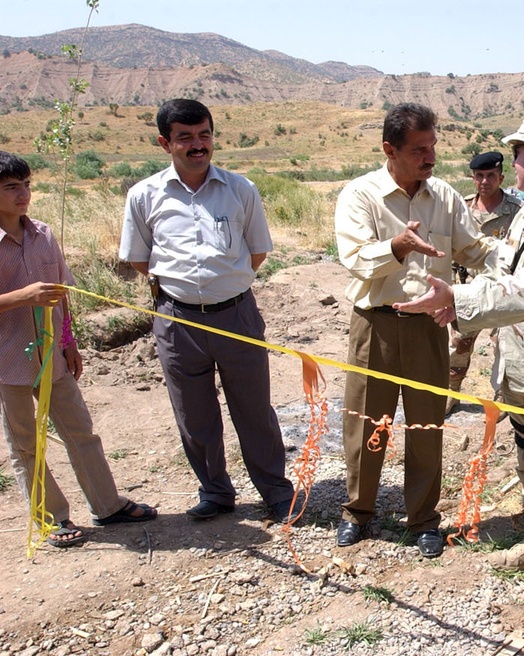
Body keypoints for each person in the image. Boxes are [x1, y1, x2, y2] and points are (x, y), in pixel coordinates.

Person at [396, 108, 524, 607]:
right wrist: (460, 249)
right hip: (522, 363)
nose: (511, 161)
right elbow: (504, 262)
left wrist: (457, 302)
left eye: (517, 152)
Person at [119, 99, 301, 523]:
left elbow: (257, 252)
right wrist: (184, 293)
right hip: (177, 321)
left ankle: (276, 491)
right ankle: (216, 492)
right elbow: (140, 259)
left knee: (254, 408)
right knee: (194, 414)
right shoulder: (144, 195)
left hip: (236, 315)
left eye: (204, 135)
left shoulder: (241, 189)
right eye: (185, 138)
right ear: (166, 143)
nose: (197, 145)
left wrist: (225, 287)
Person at [333, 103, 502, 559]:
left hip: (430, 327)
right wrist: (397, 246)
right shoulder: (360, 195)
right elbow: (355, 260)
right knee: (368, 422)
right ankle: (358, 512)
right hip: (376, 325)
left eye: (432, 148)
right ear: (389, 149)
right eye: (418, 150)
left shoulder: (443, 197)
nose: (429, 158)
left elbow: (473, 249)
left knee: (427, 423)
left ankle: (424, 519)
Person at [0, 151, 157, 549]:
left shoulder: (44, 235)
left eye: (26, 185)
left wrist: (69, 342)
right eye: (11, 188)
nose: (23, 195)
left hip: (52, 356)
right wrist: (22, 296)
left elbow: (63, 294)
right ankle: (52, 518)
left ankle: (108, 505)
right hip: (8, 363)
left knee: (81, 432)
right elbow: (29, 296)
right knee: (24, 445)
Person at [446, 151, 522, 414]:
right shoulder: (462, 208)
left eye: (491, 176)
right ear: (473, 178)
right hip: (467, 290)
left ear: (501, 177)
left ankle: (503, 398)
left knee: (504, 346)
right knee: (457, 345)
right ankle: (451, 392)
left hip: (502, 291)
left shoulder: (517, 211)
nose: (485, 181)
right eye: (480, 176)